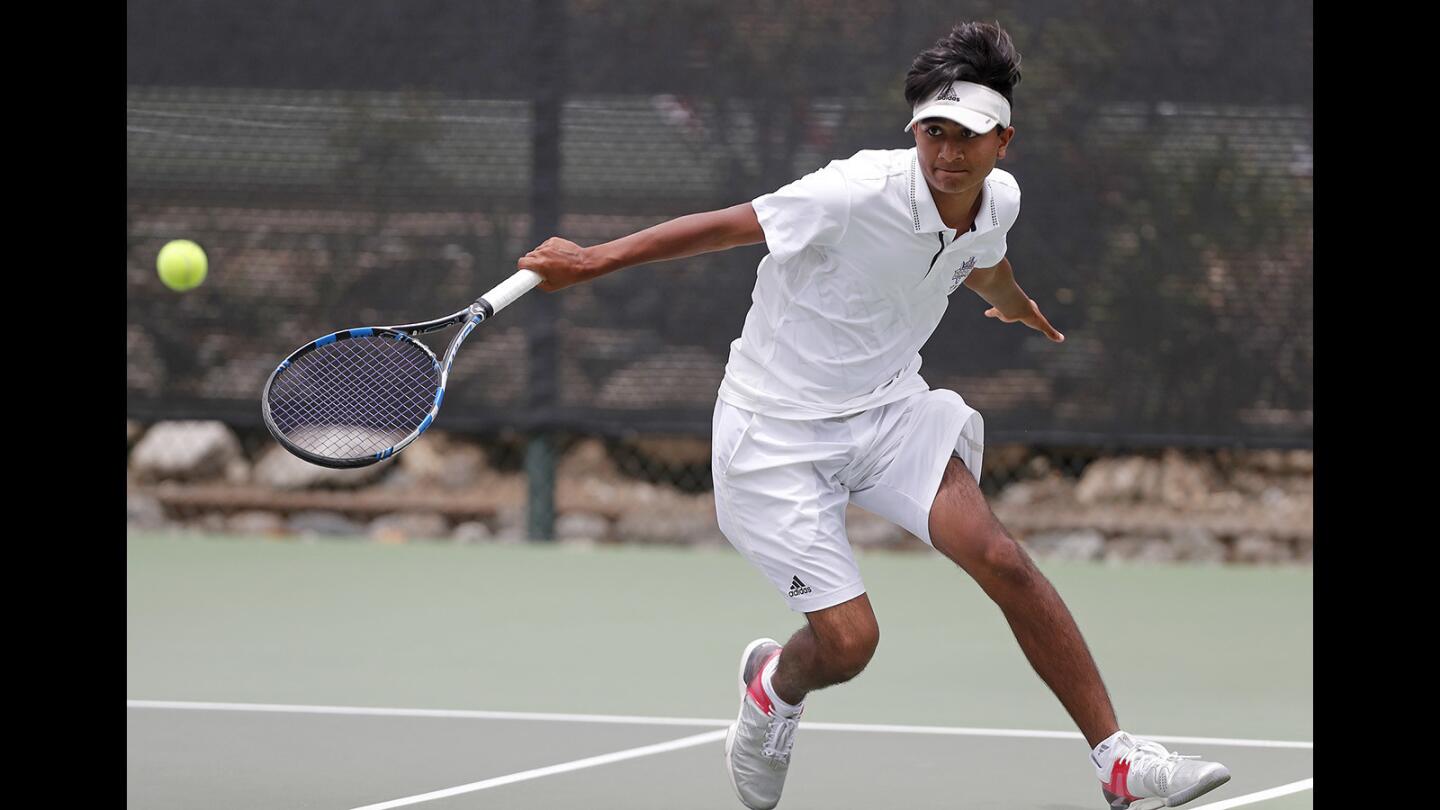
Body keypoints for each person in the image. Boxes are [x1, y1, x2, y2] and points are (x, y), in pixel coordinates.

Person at [518, 20, 1231, 810]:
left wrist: (1015, 304)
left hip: (889, 409)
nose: (949, 153)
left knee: (1001, 558)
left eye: (969, 137)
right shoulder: (851, 192)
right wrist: (591, 260)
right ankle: (772, 689)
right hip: (774, 432)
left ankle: (1118, 764)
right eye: (935, 133)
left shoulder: (1000, 202)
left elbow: (981, 260)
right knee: (850, 645)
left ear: (1004, 144)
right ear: (915, 133)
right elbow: (727, 227)